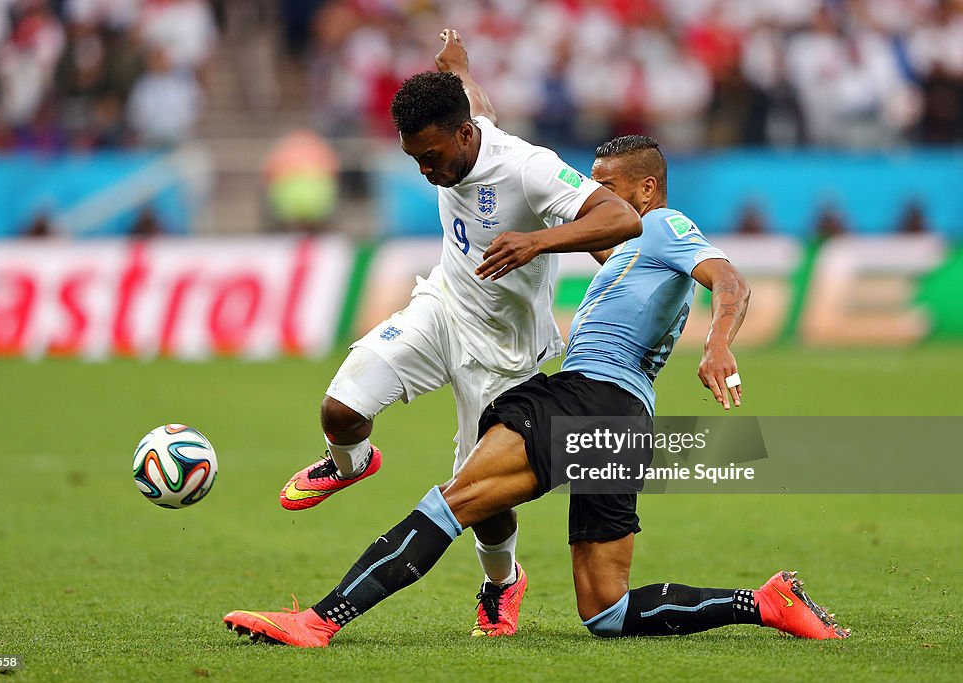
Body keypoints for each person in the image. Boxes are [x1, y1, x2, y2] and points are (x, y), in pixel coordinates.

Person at [223, 134, 851, 646]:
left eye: (607, 184)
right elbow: (499, 150)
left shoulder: (663, 227)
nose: (594, 193)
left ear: (646, 189)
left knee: (454, 500)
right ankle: (764, 603)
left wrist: (717, 347)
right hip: (622, 423)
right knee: (606, 612)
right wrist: (463, 72)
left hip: (588, 400)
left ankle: (320, 620)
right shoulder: (623, 256)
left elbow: (731, 281)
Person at [277, 29, 642, 637]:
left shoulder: (530, 169)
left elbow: (621, 217)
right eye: (415, 160)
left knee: (481, 497)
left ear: (467, 134)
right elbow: (468, 86)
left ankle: (501, 583)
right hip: (442, 306)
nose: (426, 171)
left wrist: (537, 240)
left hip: (505, 352)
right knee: (340, 408)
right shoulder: (463, 119)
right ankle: (348, 465)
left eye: (433, 157)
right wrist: (457, 61)